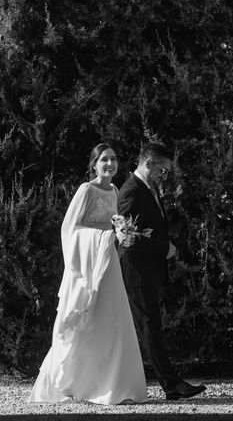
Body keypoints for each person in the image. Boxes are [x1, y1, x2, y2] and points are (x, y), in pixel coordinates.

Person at [29, 143, 147, 405]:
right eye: (104, 159)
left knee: (111, 320)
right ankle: (72, 383)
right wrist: (104, 236)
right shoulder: (86, 190)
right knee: (87, 321)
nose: (110, 164)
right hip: (86, 267)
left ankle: (111, 385)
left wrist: (122, 232)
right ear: (94, 164)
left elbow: (113, 222)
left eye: (113, 159)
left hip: (108, 264)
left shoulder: (115, 190)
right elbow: (69, 229)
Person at [118, 142, 206, 400]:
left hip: (148, 270)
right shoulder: (131, 191)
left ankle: (172, 383)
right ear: (147, 163)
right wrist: (163, 248)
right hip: (137, 271)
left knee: (152, 326)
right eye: (162, 169)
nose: (164, 175)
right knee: (149, 327)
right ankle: (171, 385)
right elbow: (126, 238)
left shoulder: (148, 187)